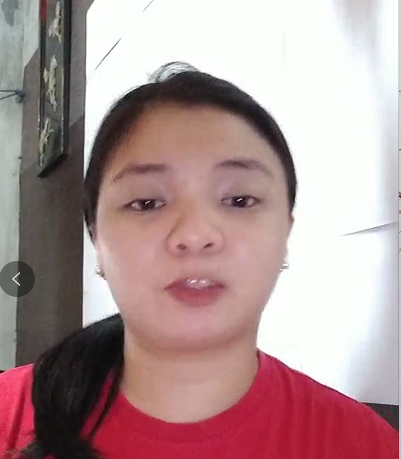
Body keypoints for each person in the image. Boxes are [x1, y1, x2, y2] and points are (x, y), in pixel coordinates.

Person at [0, 62, 397, 459]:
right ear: (97, 239)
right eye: (147, 203)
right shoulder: (8, 416)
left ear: (285, 234)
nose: (194, 235)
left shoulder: (365, 446)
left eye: (239, 200)